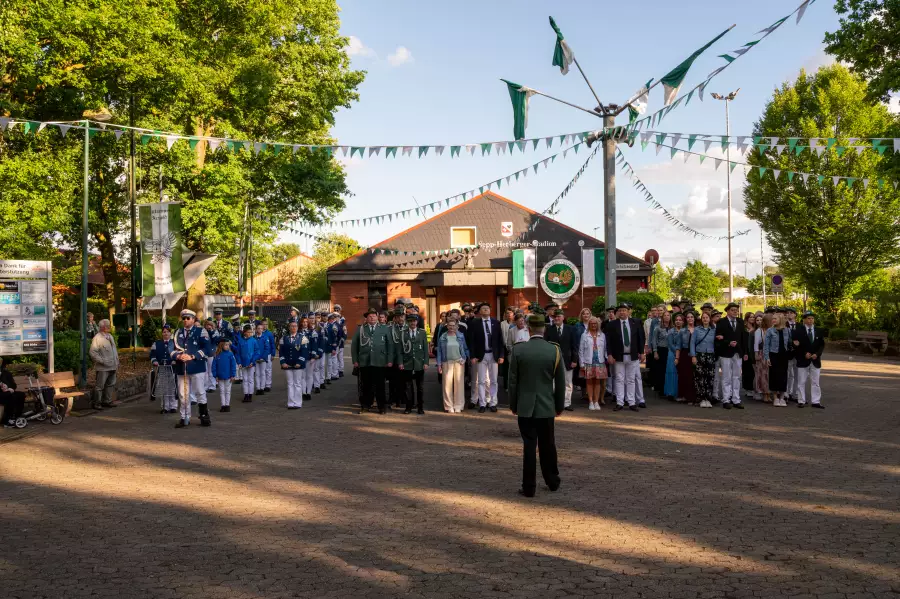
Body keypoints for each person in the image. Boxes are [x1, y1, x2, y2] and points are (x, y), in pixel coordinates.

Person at [508, 314, 566, 498]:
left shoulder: (519, 350)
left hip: (525, 406)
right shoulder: (554, 350)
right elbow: (561, 382)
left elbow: (513, 382)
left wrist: (514, 404)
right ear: (544, 329)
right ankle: (552, 480)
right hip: (547, 405)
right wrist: (559, 406)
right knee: (548, 444)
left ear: (529, 329)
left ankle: (529, 486)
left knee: (529, 446)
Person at [172, 309, 213, 428]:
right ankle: (184, 417)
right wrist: (178, 356)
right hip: (182, 367)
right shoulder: (177, 332)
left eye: (188, 318)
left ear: (193, 319)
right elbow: (171, 348)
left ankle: (204, 415)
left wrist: (193, 356)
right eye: (184, 318)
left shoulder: (201, 331)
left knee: (200, 392)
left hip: (196, 366)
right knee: (183, 394)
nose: (185, 320)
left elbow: (207, 348)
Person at [351, 308, 394, 414]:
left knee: (380, 386)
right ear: (367, 318)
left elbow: (390, 345)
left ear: (377, 317)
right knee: (366, 386)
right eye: (370, 316)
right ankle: (365, 406)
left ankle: (381, 407)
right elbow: (354, 345)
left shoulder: (384, 328)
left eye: (374, 316)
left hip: (380, 361)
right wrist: (355, 360)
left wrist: (389, 360)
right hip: (365, 362)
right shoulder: (361, 329)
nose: (372, 318)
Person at [606, 303, 645, 412]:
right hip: (618, 356)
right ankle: (619, 402)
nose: (622, 312)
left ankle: (632, 402)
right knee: (619, 379)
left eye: (624, 310)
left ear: (628, 312)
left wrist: (641, 352)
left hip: (632, 356)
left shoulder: (636, 323)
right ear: (617, 313)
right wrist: (609, 354)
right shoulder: (612, 325)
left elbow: (641, 338)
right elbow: (608, 341)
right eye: (620, 310)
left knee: (631, 379)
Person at [468, 302, 506, 413]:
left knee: (494, 380)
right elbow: (472, 341)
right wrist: (473, 356)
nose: (485, 310)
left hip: (493, 354)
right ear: (479, 312)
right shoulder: (475, 323)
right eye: (483, 309)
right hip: (481, 355)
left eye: (487, 308)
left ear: (490, 310)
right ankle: (482, 403)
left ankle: (493, 403)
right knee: (481, 380)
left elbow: (500, 340)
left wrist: (501, 355)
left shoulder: (496, 323)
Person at [544, 309, 580, 411]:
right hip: (553, 359)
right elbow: (546, 345)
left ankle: (567, 403)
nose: (557, 318)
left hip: (568, 360)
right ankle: (555, 402)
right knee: (553, 382)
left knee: (568, 382)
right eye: (555, 317)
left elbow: (575, 346)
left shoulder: (571, 329)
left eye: (559, 316)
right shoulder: (549, 329)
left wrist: (574, 360)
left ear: (563, 317)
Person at [714, 302, 747, 410]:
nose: (735, 312)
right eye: (732, 310)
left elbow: (744, 338)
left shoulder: (740, 322)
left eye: (736, 310)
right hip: (725, 353)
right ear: (727, 311)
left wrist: (745, 352)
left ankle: (736, 399)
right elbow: (718, 338)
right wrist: (728, 342)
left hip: (738, 352)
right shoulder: (721, 322)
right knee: (726, 377)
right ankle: (726, 399)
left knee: (737, 377)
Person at [397, 313, 429, 414]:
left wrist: (426, 362)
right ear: (408, 322)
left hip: (419, 363)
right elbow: (400, 350)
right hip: (408, 363)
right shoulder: (403, 333)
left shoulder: (422, 332)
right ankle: (409, 407)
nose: (412, 323)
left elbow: (425, 349)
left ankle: (420, 407)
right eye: (410, 321)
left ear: (417, 322)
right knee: (407, 387)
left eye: (414, 321)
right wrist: (400, 362)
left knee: (420, 387)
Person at [794, 311, 825, 409]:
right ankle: (801, 400)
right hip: (803, 360)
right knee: (801, 381)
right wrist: (804, 353)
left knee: (815, 382)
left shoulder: (819, 330)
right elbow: (795, 345)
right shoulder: (798, 331)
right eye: (808, 318)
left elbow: (822, 345)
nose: (810, 320)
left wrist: (817, 354)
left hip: (815, 360)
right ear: (804, 320)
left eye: (812, 318)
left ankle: (816, 401)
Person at [436, 319, 469, 413]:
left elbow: (465, 349)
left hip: (459, 362)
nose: (451, 327)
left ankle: (458, 405)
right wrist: (439, 364)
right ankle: (448, 405)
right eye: (449, 325)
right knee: (447, 385)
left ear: (457, 326)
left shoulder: (461, 336)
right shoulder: (443, 337)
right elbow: (439, 352)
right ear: (447, 326)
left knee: (459, 384)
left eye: (453, 325)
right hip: (446, 362)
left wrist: (465, 358)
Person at [88, 318, 119, 410]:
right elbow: (92, 352)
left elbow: (114, 350)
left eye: (109, 325)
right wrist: (102, 361)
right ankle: (97, 403)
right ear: (102, 327)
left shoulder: (110, 336)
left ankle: (107, 401)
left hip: (113, 365)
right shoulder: (97, 338)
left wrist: (117, 361)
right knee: (100, 386)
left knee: (111, 384)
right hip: (103, 368)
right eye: (107, 325)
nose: (109, 326)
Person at [763, 311, 792, 407]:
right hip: (773, 355)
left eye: (775, 318)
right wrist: (766, 357)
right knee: (774, 376)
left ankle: (782, 397)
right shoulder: (770, 331)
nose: (773, 320)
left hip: (784, 356)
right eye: (772, 319)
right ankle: (775, 397)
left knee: (783, 376)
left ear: (781, 319)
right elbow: (766, 345)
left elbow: (789, 343)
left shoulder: (787, 330)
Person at [578, 316, 607, 411]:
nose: (593, 325)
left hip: (599, 361)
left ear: (598, 325)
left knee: (598, 382)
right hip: (588, 362)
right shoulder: (584, 335)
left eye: (595, 324)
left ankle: (596, 401)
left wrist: (607, 359)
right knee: (589, 382)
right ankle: (590, 401)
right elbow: (581, 350)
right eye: (591, 324)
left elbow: (605, 349)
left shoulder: (602, 335)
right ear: (589, 325)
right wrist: (581, 363)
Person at [689, 311, 716, 409]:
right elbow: (692, 343)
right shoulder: (697, 329)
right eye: (703, 318)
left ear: (710, 319)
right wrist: (693, 356)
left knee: (709, 377)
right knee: (699, 377)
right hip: (699, 355)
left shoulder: (714, 330)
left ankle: (708, 398)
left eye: (707, 317)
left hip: (710, 355)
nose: (705, 319)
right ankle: (701, 398)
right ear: (701, 319)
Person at [279, 320, 309, 409]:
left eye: (295, 326)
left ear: (297, 327)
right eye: (291, 326)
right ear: (289, 327)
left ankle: (298, 403)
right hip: (287, 365)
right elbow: (281, 352)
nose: (293, 327)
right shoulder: (283, 338)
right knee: (290, 384)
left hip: (298, 365)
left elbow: (305, 352)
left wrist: (299, 363)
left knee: (298, 383)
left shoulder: (303, 338)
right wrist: (283, 362)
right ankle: (291, 403)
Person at [150, 324, 178, 414]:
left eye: (167, 332)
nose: (166, 333)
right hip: (161, 367)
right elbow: (152, 355)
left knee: (172, 387)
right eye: (164, 332)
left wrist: (175, 360)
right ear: (162, 333)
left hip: (172, 367)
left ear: (170, 333)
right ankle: (165, 406)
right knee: (164, 387)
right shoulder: (156, 343)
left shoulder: (175, 343)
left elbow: (178, 354)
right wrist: (154, 361)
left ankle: (173, 406)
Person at [676, 311, 697, 404]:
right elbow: (678, 346)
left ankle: (694, 396)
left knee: (694, 375)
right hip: (685, 354)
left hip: (696, 354)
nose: (690, 319)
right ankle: (685, 396)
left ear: (694, 318)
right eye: (688, 317)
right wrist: (677, 358)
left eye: (692, 317)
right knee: (685, 375)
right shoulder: (682, 331)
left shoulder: (698, 330)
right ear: (686, 319)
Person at [650, 310, 672, 398]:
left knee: (669, 370)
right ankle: (661, 389)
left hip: (670, 350)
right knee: (661, 371)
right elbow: (654, 340)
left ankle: (669, 389)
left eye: (668, 315)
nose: (667, 317)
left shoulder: (672, 328)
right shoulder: (658, 328)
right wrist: (655, 352)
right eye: (665, 315)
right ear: (662, 318)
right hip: (661, 350)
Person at [211, 339, 238, 412]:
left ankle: (227, 405)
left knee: (228, 391)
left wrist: (233, 375)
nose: (227, 346)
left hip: (228, 376)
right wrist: (215, 375)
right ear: (221, 345)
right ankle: (223, 405)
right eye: (226, 345)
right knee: (222, 391)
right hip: (219, 377)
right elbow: (214, 366)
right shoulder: (217, 355)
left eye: (228, 345)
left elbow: (233, 365)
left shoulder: (230, 354)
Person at [235, 324, 259, 403]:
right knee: (245, 379)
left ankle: (250, 395)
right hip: (243, 363)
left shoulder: (254, 340)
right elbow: (237, 353)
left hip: (251, 363)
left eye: (250, 332)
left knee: (251, 379)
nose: (249, 333)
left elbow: (257, 352)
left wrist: (253, 361)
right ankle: (246, 394)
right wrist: (239, 362)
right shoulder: (240, 341)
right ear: (244, 332)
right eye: (248, 332)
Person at [0, 357, 26, 427]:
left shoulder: (7, 373)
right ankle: (7, 420)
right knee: (10, 396)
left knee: (21, 395)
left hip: (9, 392)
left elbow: (14, 385)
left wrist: (10, 388)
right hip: (1, 394)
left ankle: (17, 416)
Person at [664, 313, 682, 400]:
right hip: (672, 354)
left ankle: (680, 393)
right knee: (672, 373)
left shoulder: (685, 330)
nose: (678, 322)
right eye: (676, 320)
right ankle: (671, 393)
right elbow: (670, 345)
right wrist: (677, 353)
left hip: (683, 354)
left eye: (680, 320)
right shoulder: (671, 331)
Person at [755, 313, 772, 403]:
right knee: (763, 374)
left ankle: (769, 393)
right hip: (762, 354)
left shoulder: (772, 330)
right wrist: (756, 354)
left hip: (771, 354)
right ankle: (765, 393)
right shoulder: (759, 331)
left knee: (769, 375)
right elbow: (756, 344)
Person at [784, 307, 799, 401]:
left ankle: (796, 394)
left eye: (791, 312)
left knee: (798, 375)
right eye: (787, 313)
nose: (789, 314)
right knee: (788, 374)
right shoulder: (784, 326)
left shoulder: (800, 326)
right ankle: (786, 393)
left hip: (798, 354)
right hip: (788, 353)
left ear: (795, 314)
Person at [742, 313, 758, 400]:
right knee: (746, 370)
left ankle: (753, 388)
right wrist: (744, 352)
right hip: (745, 352)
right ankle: (747, 388)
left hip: (753, 351)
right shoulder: (743, 329)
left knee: (753, 371)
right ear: (747, 318)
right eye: (750, 317)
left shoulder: (756, 329)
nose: (752, 318)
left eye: (753, 317)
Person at [204, 318, 221, 393]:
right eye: (207, 324)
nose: (208, 326)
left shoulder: (215, 332)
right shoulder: (203, 331)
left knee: (211, 371)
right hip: (204, 354)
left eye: (210, 325)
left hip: (211, 353)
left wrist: (211, 331)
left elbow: (216, 340)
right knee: (205, 371)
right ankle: (206, 386)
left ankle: (212, 386)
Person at [334, 304, 347, 378]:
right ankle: (335, 370)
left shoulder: (342, 320)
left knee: (340, 356)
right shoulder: (332, 318)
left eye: (337, 310)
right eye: (335, 310)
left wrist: (343, 339)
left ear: (340, 311)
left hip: (340, 341)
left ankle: (341, 370)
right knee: (335, 357)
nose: (336, 311)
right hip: (334, 341)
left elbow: (344, 331)